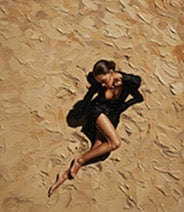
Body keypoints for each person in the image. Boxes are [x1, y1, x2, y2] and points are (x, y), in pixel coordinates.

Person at [48, 60, 144, 196]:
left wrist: (121, 81)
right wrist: (79, 113)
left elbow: (138, 82)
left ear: (111, 73)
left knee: (97, 151)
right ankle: (79, 161)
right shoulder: (99, 86)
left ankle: (63, 175)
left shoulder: (125, 81)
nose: (103, 85)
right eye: (100, 82)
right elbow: (88, 98)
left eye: (104, 81)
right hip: (98, 112)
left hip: (112, 116)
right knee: (115, 143)